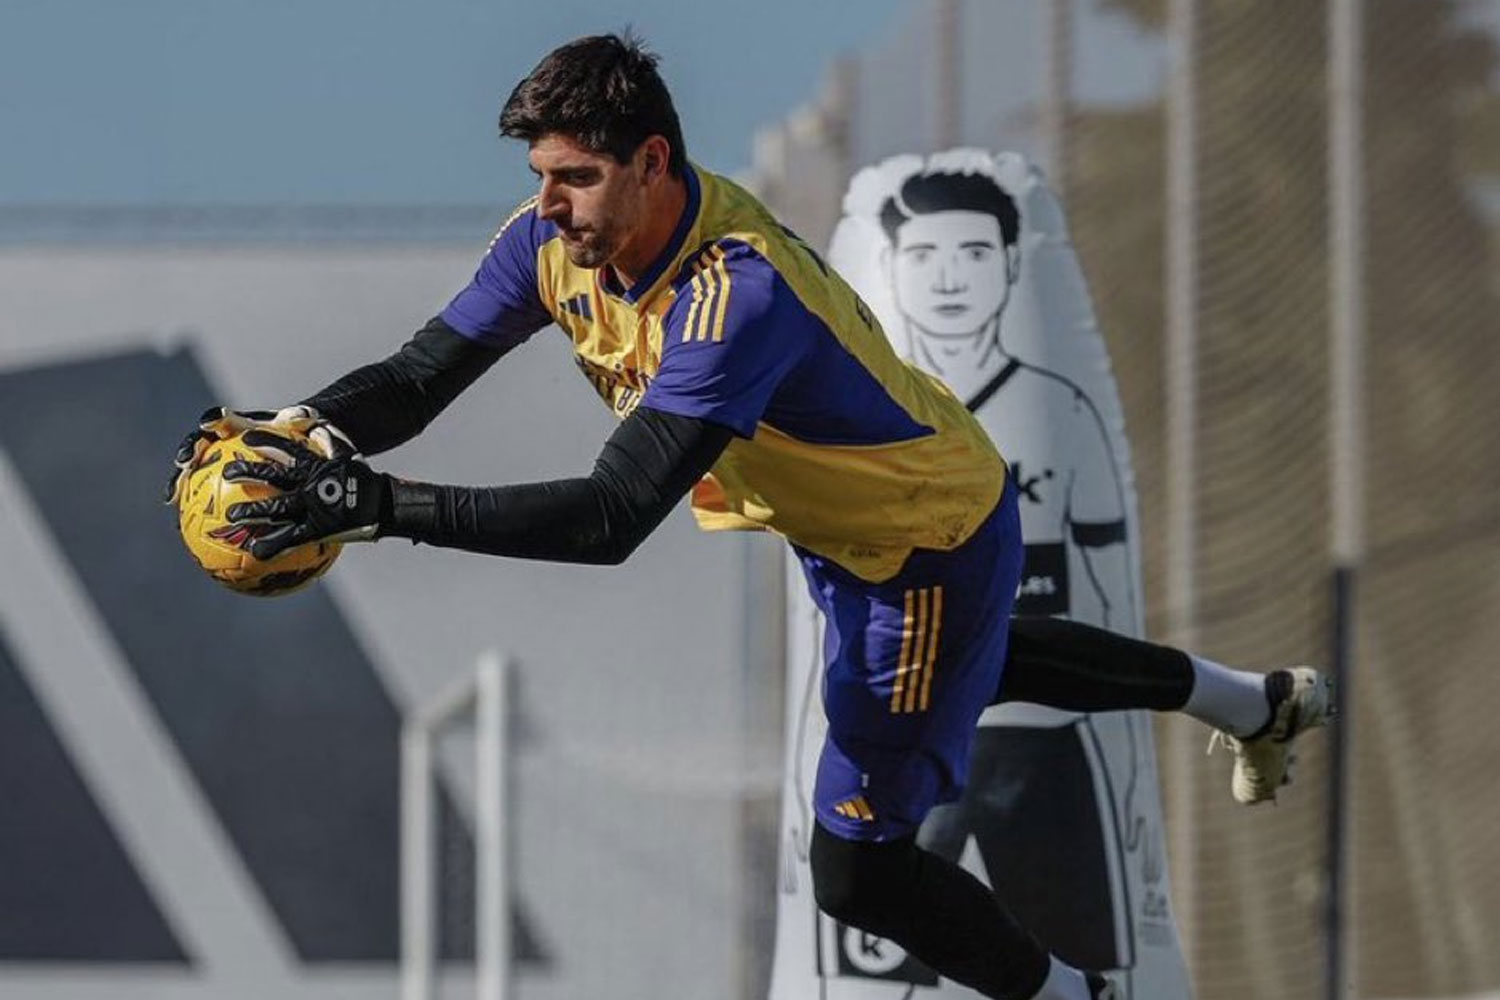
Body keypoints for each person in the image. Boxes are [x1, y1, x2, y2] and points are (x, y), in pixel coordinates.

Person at [165, 33, 1332, 1000]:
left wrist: (378, 508)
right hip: (862, 521)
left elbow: (614, 514)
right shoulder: (552, 242)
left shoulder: (736, 292)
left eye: (572, 176)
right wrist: (303, 430)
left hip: (914, 544)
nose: (547, 204)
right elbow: (421, 376)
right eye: (540, 178)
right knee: (983, 663)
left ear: (652, 160)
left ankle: (1083, 998)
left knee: (859, 874)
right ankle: (1254, 702)